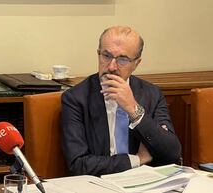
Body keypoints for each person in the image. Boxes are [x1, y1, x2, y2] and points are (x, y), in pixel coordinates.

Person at [61, 26, 181, 176]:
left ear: (136, 63)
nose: (111, 66)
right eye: (106, 56)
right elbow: (78, 164)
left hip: (144, 182)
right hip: (99, 183)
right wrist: (138, 160)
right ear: (98, 54)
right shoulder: (76, 98)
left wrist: (133, 109)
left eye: (122, 59)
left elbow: (172, 153)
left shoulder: (151, 94)